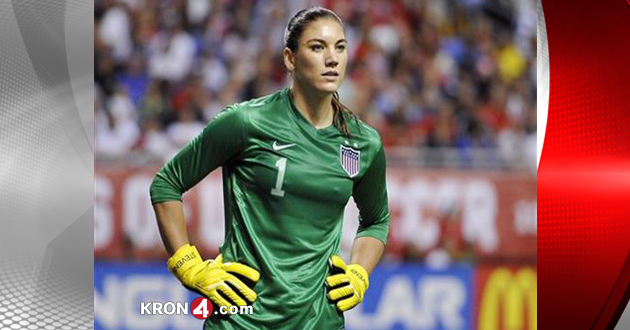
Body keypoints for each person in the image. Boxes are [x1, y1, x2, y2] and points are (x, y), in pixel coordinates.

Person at [150, 7, 390, 330]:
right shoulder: (246, 122)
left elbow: (376, 220)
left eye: (340, 47)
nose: (332, 58)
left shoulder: (364, 143)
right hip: (240, 321)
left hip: (320, 322)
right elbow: (167, 183)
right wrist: (188, 266)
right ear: (290, 59)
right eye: (317, 47)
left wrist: (359, 272)